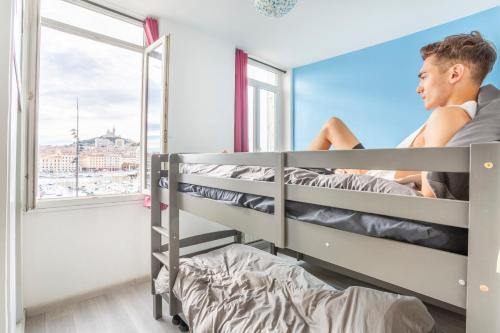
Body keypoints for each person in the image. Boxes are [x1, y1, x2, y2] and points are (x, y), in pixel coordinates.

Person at [308, 31, 497, 197]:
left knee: (330, 126)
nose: (418, 88)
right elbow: (429, 175)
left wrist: (359, 178)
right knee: (333, 124)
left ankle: (291, 175)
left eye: (424, 77)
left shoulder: (447, 116)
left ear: (455, 73)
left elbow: (431, 192)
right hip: (375, 169)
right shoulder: (463, 115)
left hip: (373, 175)